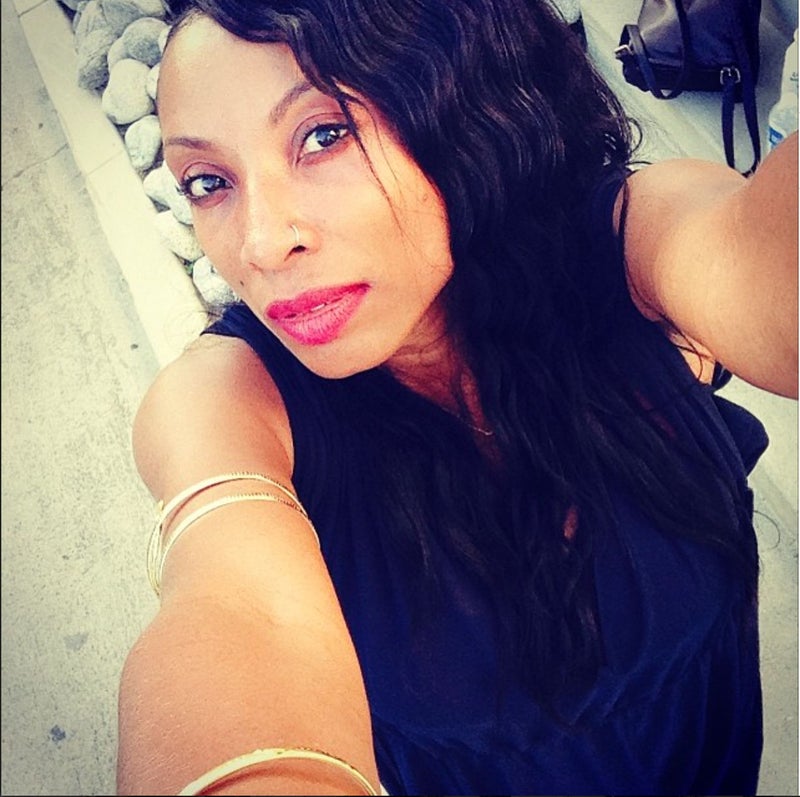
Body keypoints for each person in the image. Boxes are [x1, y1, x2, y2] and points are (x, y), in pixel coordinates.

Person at [115, 0, 798, 794]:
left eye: (324, 134)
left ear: (458, 95)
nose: (262, 244)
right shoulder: (226, 402)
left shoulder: (633, 239)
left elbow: (765, 274)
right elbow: (236, 609)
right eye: (209, 182)